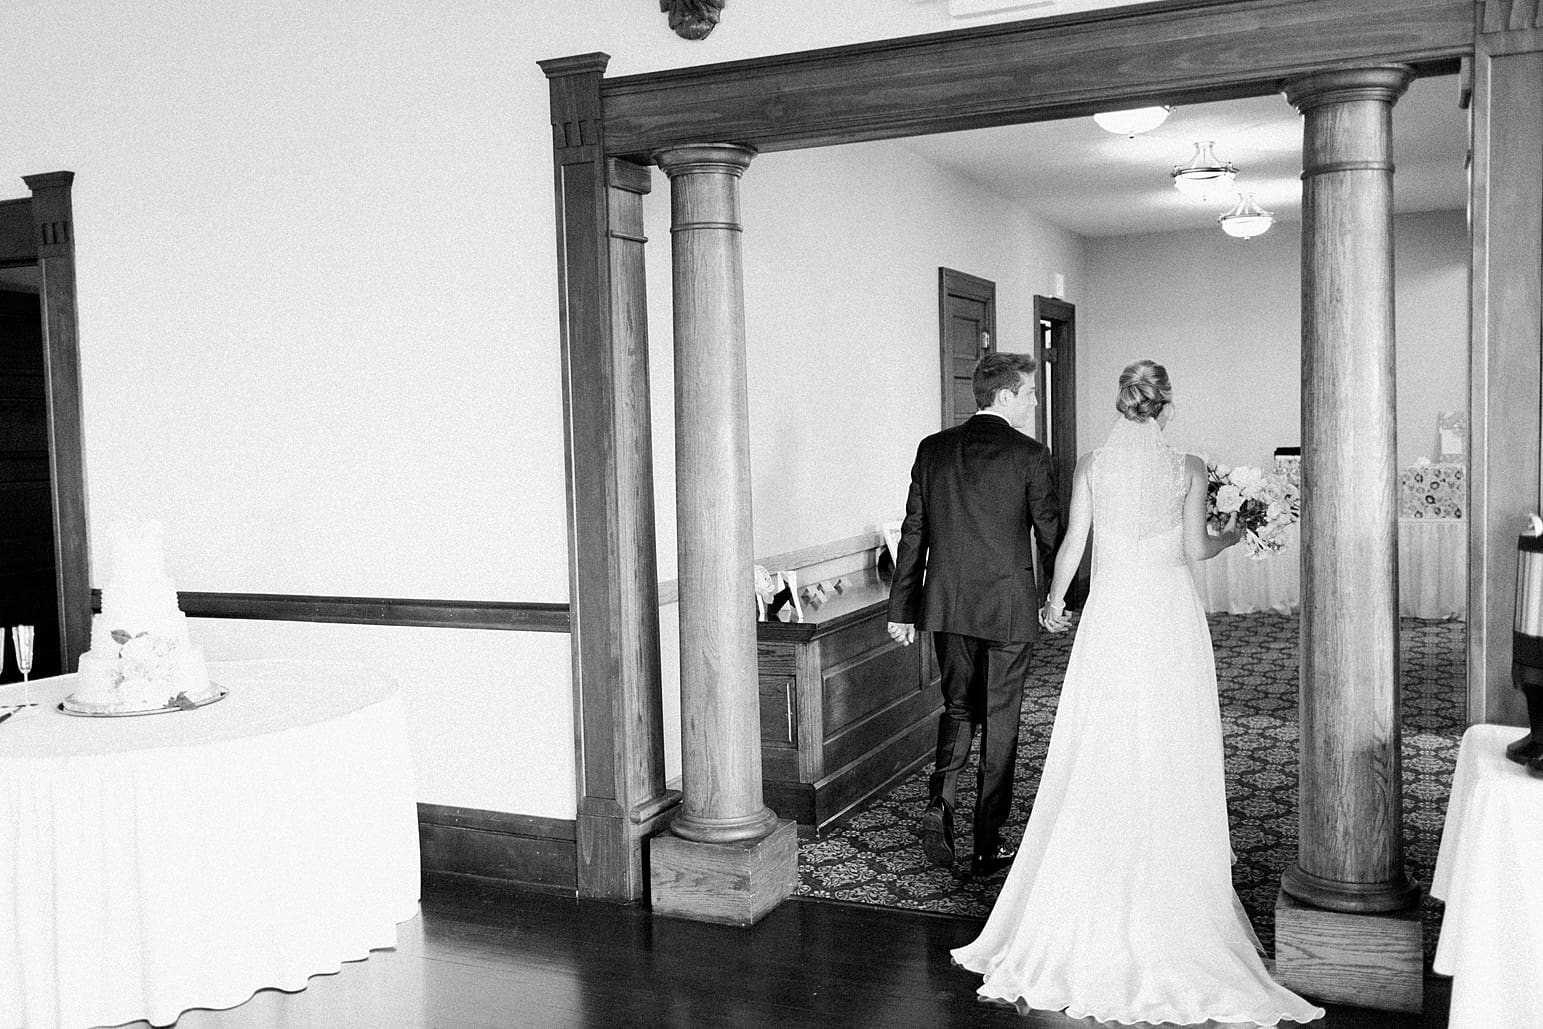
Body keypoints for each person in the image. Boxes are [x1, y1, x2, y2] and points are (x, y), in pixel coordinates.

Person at [950, 360, 1324, 1025]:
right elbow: (1195, 549)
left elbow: (1071, 543)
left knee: (1102, 737)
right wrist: (1239, 530)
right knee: (1168, 739)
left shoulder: (1091, 463)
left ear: (1119, 404)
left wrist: (1054, 603)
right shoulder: (1187, 466)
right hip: (1168, 614)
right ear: (1165, 406)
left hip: (1111, 616)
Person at [886, 352, 1063, 879]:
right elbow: (1049, 531)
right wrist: (1063, 598)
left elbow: (912, 531)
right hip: (1008, 611)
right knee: (1001, 722)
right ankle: (986, 845)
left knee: (958, 708)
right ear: (1005, 395)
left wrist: (902, 608)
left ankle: (940, 805)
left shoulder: (933, 449)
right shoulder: (1031, 454)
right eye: (1029, 392)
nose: (1034, 400)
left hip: (948, 606)